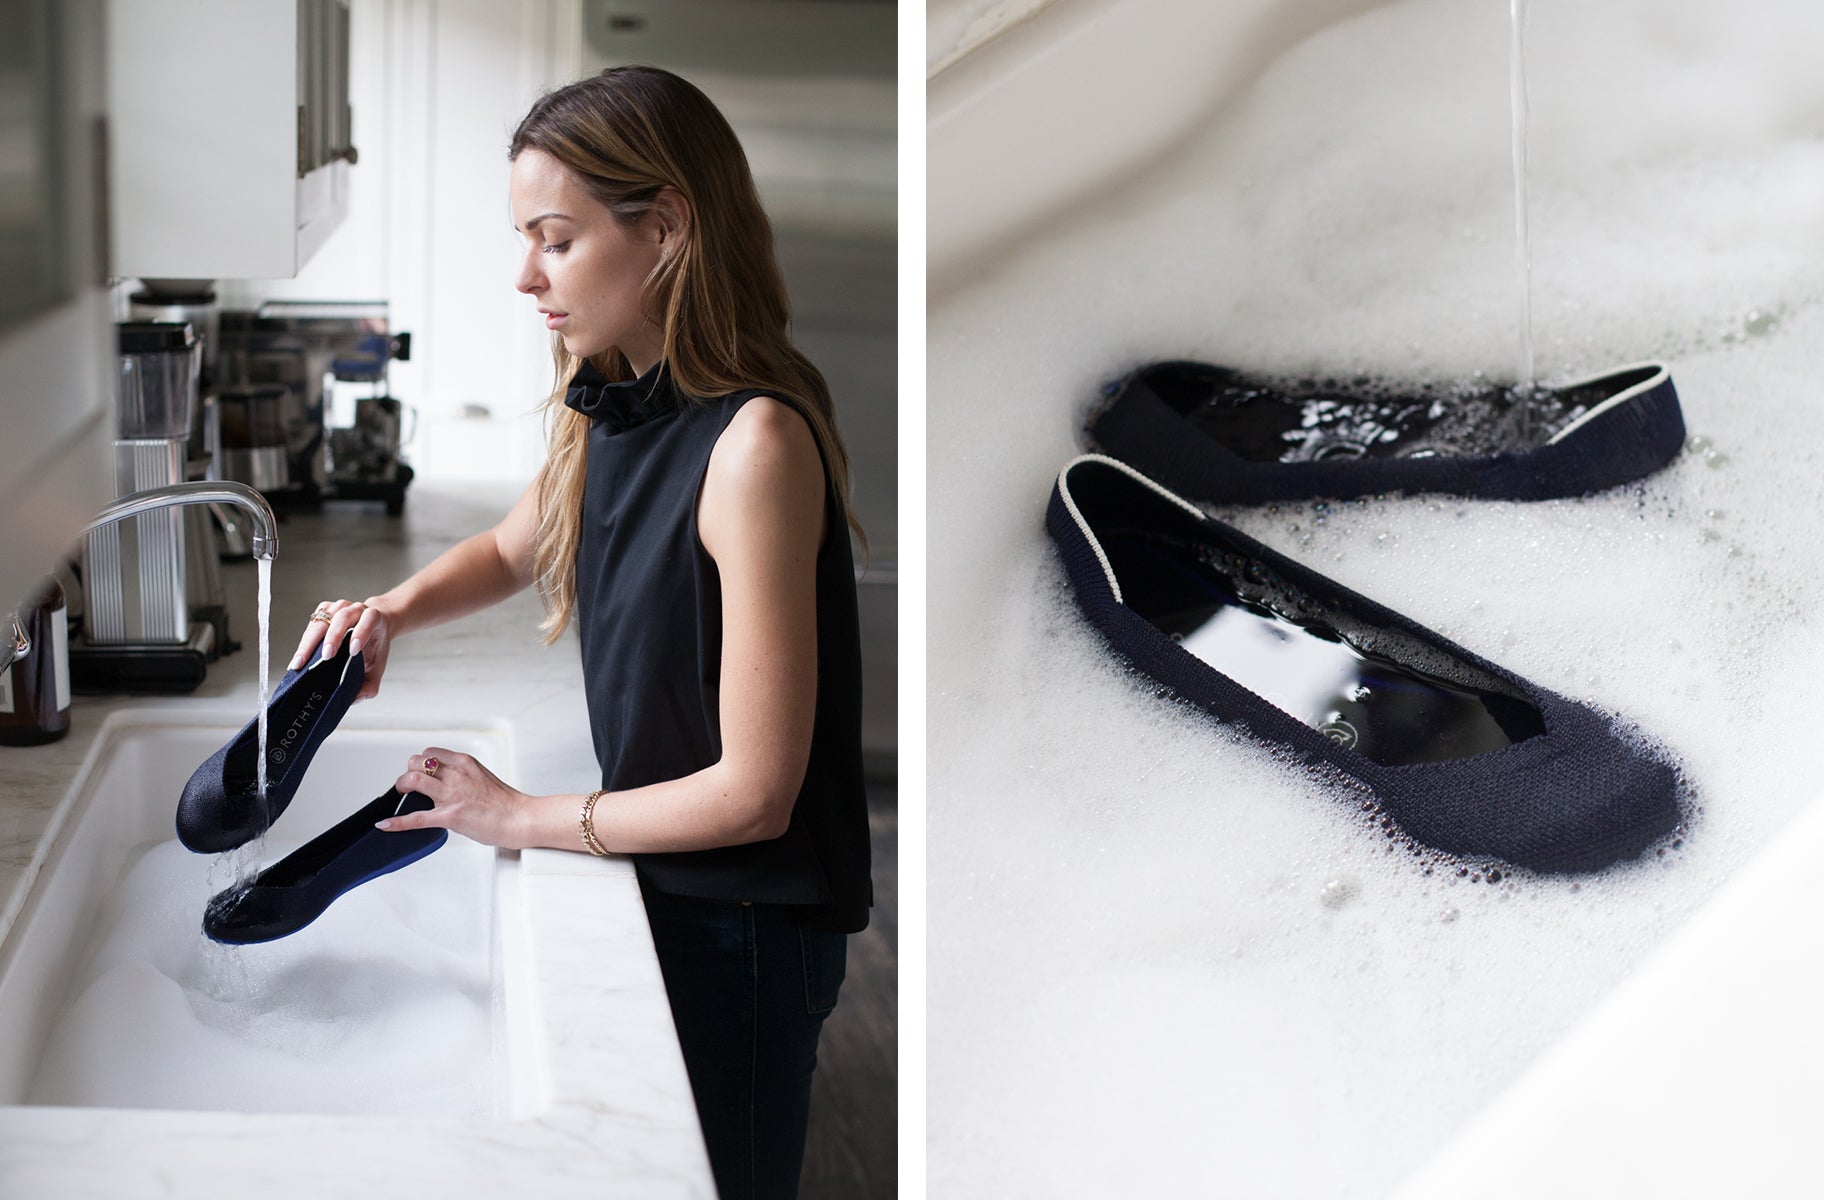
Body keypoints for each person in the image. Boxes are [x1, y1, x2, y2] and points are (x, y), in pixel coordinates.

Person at [289, 66, 872, 1199]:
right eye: (526, 239)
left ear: (663, 229)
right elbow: (520, 543)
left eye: (554, 239)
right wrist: (389, 614)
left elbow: (756, 792)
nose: (525, 275)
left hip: (744, 921)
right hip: (670, 873)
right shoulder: (616, 388)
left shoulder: (753, 443)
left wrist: (515, 815)